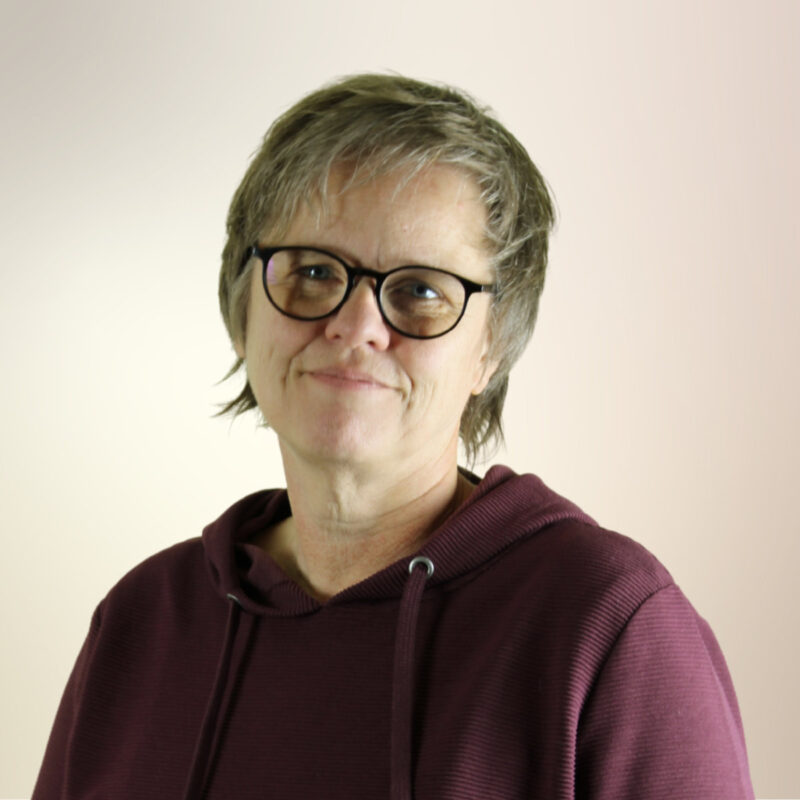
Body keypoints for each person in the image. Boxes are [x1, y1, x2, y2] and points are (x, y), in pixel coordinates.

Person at [33, 74, 755, 799]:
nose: (356, 328)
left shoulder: (612, 626)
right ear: (242, 309)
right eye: (313, 272)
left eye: (420, 291)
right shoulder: (143, 622)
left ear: (492, 348)